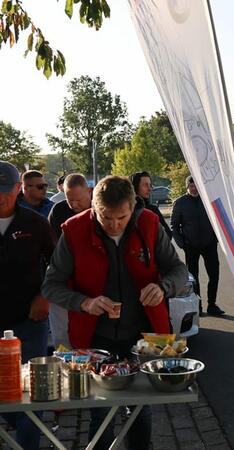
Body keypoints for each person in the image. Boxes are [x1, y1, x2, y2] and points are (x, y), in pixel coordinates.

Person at [42, 175, 188, 450]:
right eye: (105, 217)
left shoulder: (149, 225)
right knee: (99, 408)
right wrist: (84, 302)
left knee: (141, 408)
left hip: (144, 335)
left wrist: (163, 287)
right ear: (92, 208)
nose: (114, 225)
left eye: (121, 217)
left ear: (132, 207)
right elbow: (51, 286)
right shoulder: (73, 231)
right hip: (96, 335)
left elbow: (178, 270)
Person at [0, 161, 56, 450]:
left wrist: (44, 296)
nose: (0, 197)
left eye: (5, 190)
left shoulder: (34, 223)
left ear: (16, 189)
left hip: (29, 320)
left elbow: (58, 264)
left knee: (32, 391)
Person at [47, 173, 93, 348]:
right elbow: (50, 247)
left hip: (92, 281)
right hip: (64, 280)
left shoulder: (101, 209)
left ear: (89, 192)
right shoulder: (59, 211)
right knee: (63, 335)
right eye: (69, 199)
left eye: (78, 200)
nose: (74, 205)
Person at [171, 175, 225, 316]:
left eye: (196, 186)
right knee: (193, 278)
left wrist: (216, 239)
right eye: (191, 186)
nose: (194, 189)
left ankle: (212, 305)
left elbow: (218, 220)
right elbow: (174, 226)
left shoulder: (208, 201)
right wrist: (182, 244)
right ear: (187, 187)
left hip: (209, 244)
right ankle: (198, 307)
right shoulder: (180, 203)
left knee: (214, 275)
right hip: (191, 246)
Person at [130, 171, 172, 239]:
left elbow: (168, 234)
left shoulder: (153, 209)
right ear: (135, 187)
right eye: (145, 185)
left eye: (150, 185)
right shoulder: (126, 210)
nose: (149, 189)